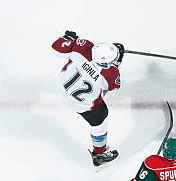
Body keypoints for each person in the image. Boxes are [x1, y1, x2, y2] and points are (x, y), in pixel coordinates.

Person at [51, 30, 123, 168]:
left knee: (95, 84)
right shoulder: (111, 74)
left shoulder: (83, 48)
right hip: (81, 105)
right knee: (102, 117)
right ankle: (99, 154)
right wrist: (117, 63)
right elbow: (114, 86)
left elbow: (56, 48)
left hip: (62, 89)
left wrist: (68, 38)